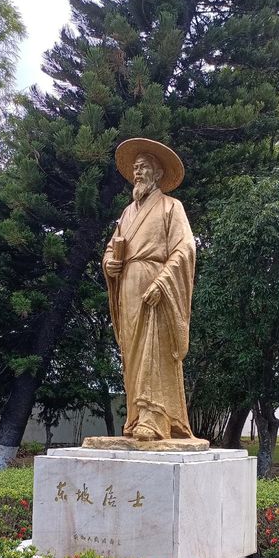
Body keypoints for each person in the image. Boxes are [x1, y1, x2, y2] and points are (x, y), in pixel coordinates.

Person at [103, 138, 197, 441]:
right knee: (131, 351)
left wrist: (163, 281)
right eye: (135, 168)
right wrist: (110, 265)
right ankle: (135, 415)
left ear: (157, 173)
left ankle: (155, 419)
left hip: (157, 287)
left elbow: (185, 249)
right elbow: (110, 249)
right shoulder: (127, 213)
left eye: (143, 167)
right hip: (128, 287)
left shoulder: (172, 207)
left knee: (153, 350)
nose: (137, 172)